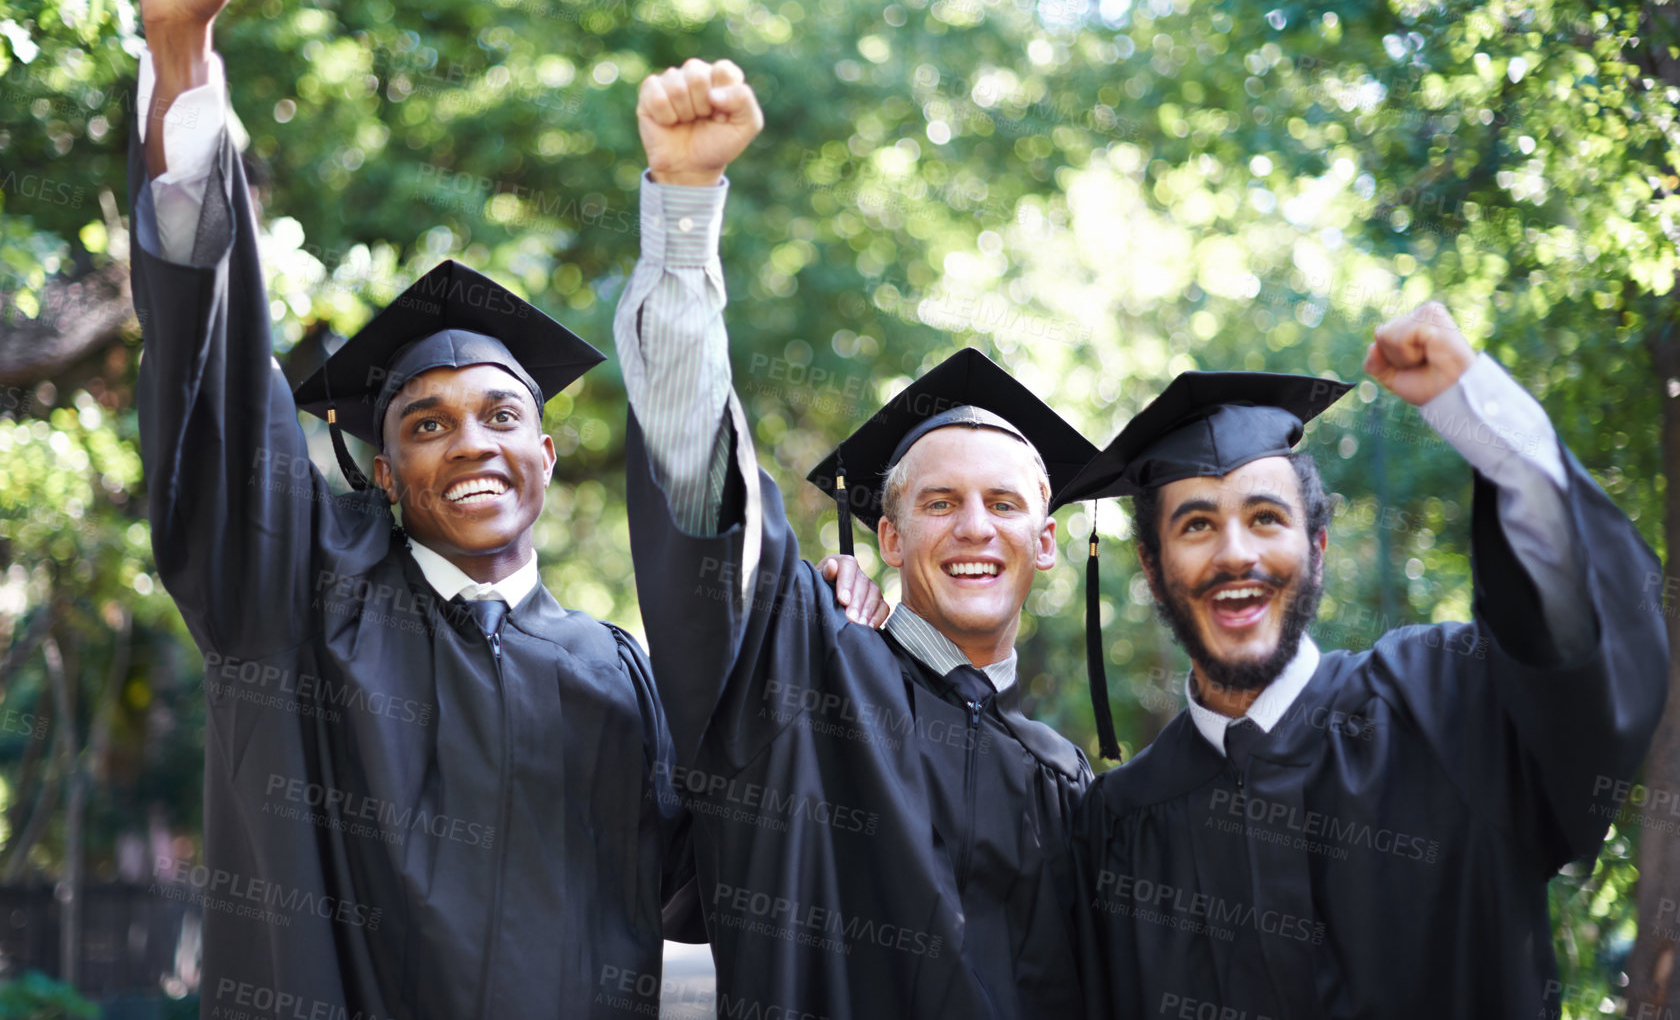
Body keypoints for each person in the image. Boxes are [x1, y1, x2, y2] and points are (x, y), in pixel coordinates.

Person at [129, 0, 876, 1019]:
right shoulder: (297, 601)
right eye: (424, 424)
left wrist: (828, 669)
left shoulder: (612, 672)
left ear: (545, 448)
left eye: (499, 413)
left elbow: (723, 870)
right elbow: (212, 394)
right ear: (380, 472)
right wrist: (183, 61)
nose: (470, 440)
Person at [614, 56, 1102, 1017]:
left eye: (1005, 506)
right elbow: (702, 480)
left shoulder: (1062, 773)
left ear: (1045, 542)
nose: (974, 528)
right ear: (885, 533)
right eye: (938, 503)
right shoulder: (810, 676)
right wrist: (683, 204)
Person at [1067, 302, 1667, 1019]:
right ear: (1153, 566)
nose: (1235, 553)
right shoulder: (1119, 827)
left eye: (1266, 517)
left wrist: (1478, 412)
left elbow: (1576, 639)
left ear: (1316, 550)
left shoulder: (1450, 707)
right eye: (1196, 525)